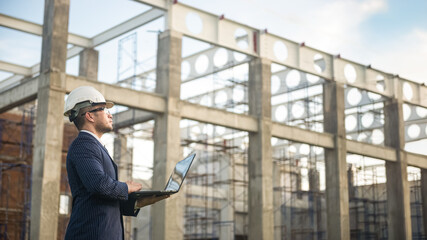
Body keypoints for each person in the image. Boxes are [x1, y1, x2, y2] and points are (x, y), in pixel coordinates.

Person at [63, 86, 168, 239]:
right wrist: (126, 187)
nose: (110, 115)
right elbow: (98, 184)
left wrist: (138, 201)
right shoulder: (84, 145)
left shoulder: (94, 146)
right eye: (104, 110)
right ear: (90, 116)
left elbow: (102, 199)